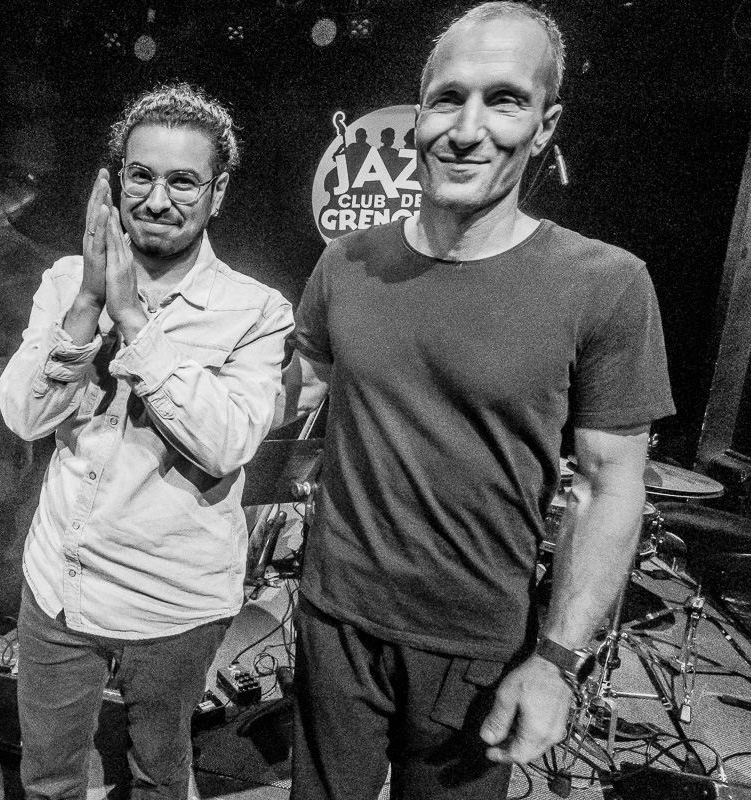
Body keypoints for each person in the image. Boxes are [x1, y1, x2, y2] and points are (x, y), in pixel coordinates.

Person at [279, 4, 675, 799]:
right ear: (418, 115)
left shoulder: (605, 284)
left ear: (545, 124)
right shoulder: (347, 262)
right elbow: (290, 398)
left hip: (475, 648)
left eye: (504, 100)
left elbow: (609, 486)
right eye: (448, 98)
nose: (467, 129)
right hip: (333, 623)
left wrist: (557, 660)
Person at [0, 83, 293, 800]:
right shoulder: (66, 281)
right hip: (60, 586)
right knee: (48, 778)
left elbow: (225, 443)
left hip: (172, 604)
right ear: (117, 180)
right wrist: (88, 302)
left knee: (159, 775)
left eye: (183, 181)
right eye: (141, 176)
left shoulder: (254, 310)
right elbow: (24, 416)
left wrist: (131, 318)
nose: (157, 200)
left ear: (218, 193)